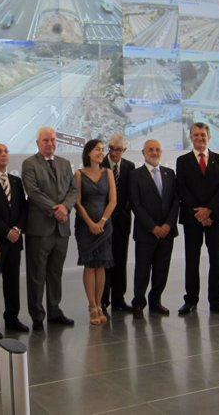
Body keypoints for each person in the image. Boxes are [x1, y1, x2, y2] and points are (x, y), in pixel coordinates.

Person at [22, 126, 78, 331]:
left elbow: (73, 189)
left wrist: (65, 207)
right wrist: (55, 209)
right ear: (38, 143)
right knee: (36, 274)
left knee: (55, 273)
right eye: (46, 140)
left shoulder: (65, 164)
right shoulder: (29, 164)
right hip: (40, 228)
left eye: (53, 140)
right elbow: (33, 192)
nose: (50, 144)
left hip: (61, 229)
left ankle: (54, 310)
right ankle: (37, 315)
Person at [176, 122, 219, 317]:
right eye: (196, 135)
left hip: (215, 218)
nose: (199, 138)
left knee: (216, 260)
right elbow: (182, 189)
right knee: (192, 260)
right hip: (192, 219)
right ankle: (190, 300)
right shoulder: (182, 161)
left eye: (203, 135)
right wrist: (199, 214)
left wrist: (208, 211)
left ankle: (216, 301)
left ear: (209, 137)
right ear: (190, 137)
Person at [128, 138, 179, 319]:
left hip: (167, 232)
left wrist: (167, 225)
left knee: (161, 269)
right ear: (143, 152)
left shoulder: (170, 173)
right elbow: (136, 204)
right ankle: (138, 303)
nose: (154, 152)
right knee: (142, 269)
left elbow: (175, 202)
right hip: (145, 232)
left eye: (157, 149)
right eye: (151, 149)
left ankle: (155, 301)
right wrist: (153, 227)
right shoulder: (135, 175)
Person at [0, 143, 30, 339]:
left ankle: (12, 318)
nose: (3, 155)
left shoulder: (16, 181)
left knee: (12, 282)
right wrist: (5, 231)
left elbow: (23, 208)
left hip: (15, 240)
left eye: (6, 152)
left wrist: (18, 229)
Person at [74, 139, 116, 325]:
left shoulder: (108, 172)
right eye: (97, 149)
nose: (101, 152)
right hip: (85, 227)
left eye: (102, 150)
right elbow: (78, 202)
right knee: (90, 266)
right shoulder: (79, 174)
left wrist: (102, 222)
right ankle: (91, 306)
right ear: (88, 152)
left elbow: (113, 201)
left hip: (105, 227)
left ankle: (100, 305)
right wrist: (91, 223)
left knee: (101, 266)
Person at [101, 133, 135, 314]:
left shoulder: (130, 167)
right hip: (104, 222)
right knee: (105, 261)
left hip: (122, 222)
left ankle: (119, 299)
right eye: (111, 149)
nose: (114, 153)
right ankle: (103, 301)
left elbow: (132, 195)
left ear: (124, 150)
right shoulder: (99, 165)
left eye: (118, 150)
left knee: (121, 260)